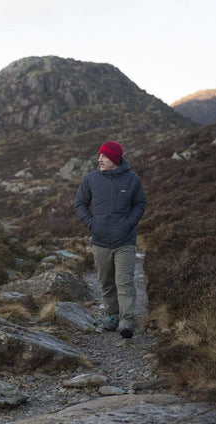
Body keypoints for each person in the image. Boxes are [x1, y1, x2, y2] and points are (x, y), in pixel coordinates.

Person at [74, 141, 147, 339]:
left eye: (104, 156)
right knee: (106, 282)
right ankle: (113, 316)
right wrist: (91, 223)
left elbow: (140, 203)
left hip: (125, 241)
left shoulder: (132, 179)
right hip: (100, 241)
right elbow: (80, 203)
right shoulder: (91, 179)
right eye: (99, 156)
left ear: (114, 158)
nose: (99, 159)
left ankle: (127, 322)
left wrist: (129, 223)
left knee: (124, 282)